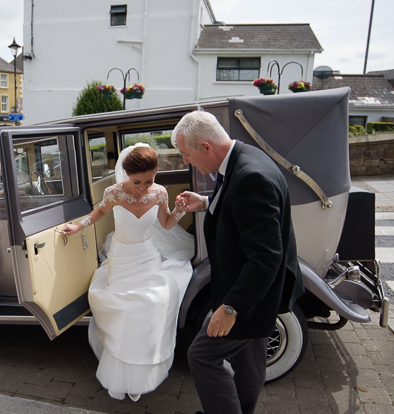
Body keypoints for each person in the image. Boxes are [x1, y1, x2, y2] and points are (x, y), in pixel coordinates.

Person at [172, 110, 304, 414]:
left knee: (201, 356)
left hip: (249, 295)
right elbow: (238, 206)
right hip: (257, 294)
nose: (185, 161)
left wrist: (231, 308)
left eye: (186, 153)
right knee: (250, 365)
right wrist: (205, 203)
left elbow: (266, 256)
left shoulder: (250, 177)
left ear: (205, 147)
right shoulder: (242, 156)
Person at [63, 144, 194, 402]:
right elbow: (99, 212)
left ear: (156, 172)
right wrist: (78, 226)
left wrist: (181, 209)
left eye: (149, 180)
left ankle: (142, 372)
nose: (143, 187)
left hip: (147, 258)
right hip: (121, 259)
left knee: (149, 307)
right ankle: (123, 370)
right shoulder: (113, 193)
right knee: (124, 311)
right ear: (125, 173)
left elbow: (167, 224)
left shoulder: (159, 193)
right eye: (137, 181)